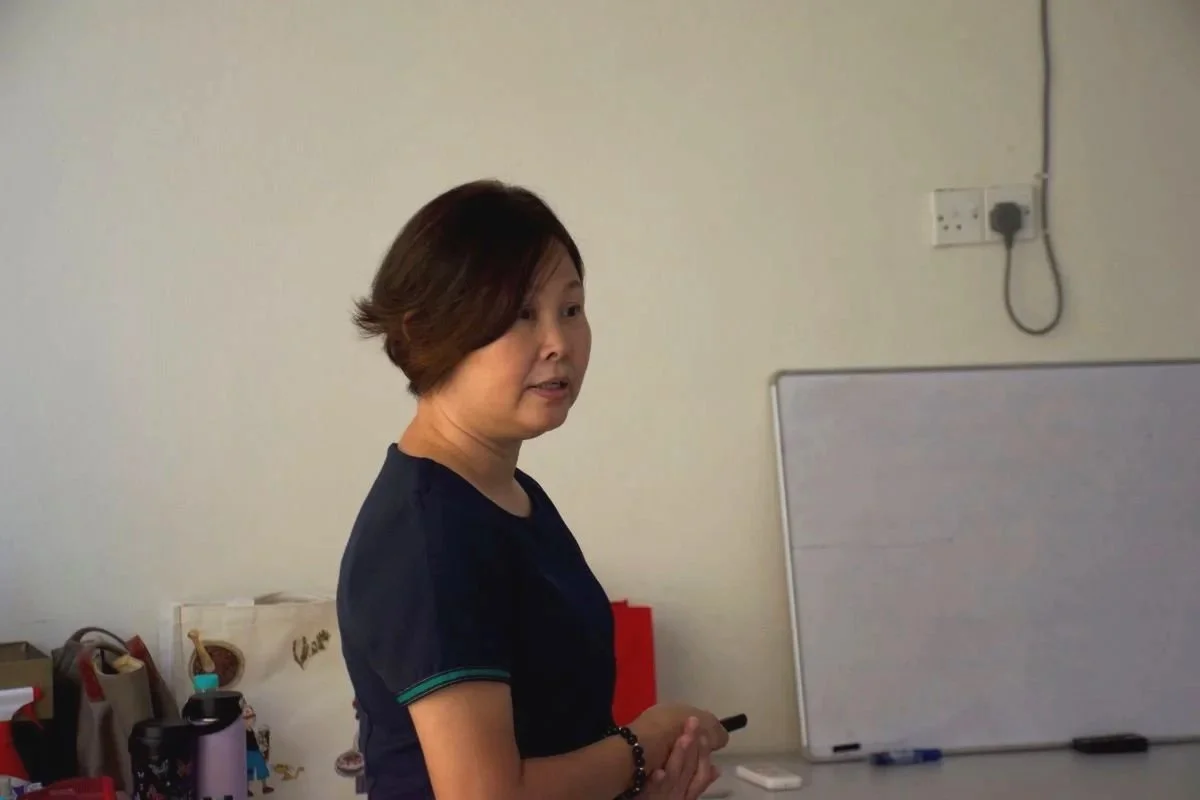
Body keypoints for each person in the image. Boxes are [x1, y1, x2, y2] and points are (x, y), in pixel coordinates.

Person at [336, 179, 730, 800]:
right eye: (520, 315)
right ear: (422, 332)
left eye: (570, 310)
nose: (558, 343)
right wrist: (643, 742)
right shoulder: (429, 535)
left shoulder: (508, 494)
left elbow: (551, 738)